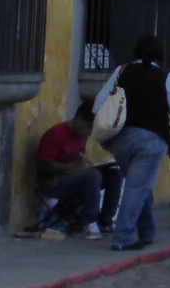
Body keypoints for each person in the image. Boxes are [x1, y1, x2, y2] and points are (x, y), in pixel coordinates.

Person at [96, 34, 170, 252]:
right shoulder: (164, 77)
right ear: (160, 55)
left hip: (122, 138)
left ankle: (147, 232)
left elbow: (99, 102)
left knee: (140, 185)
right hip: (151, 139)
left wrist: (107, 135)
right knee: (137, 187)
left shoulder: (122, 71)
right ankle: (123, 237)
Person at [35, 100, 120, 239]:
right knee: (93, 175)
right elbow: (44, 165)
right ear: (79, 118)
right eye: (88, 127)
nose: (89, 132)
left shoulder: (82, 135)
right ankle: (88, 222)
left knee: (114, 174)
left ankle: (106, 221)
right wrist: (74, 167)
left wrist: (85, 164)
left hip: (73, 179)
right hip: (51, 183)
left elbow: (78, 159)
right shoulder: (55, 134)